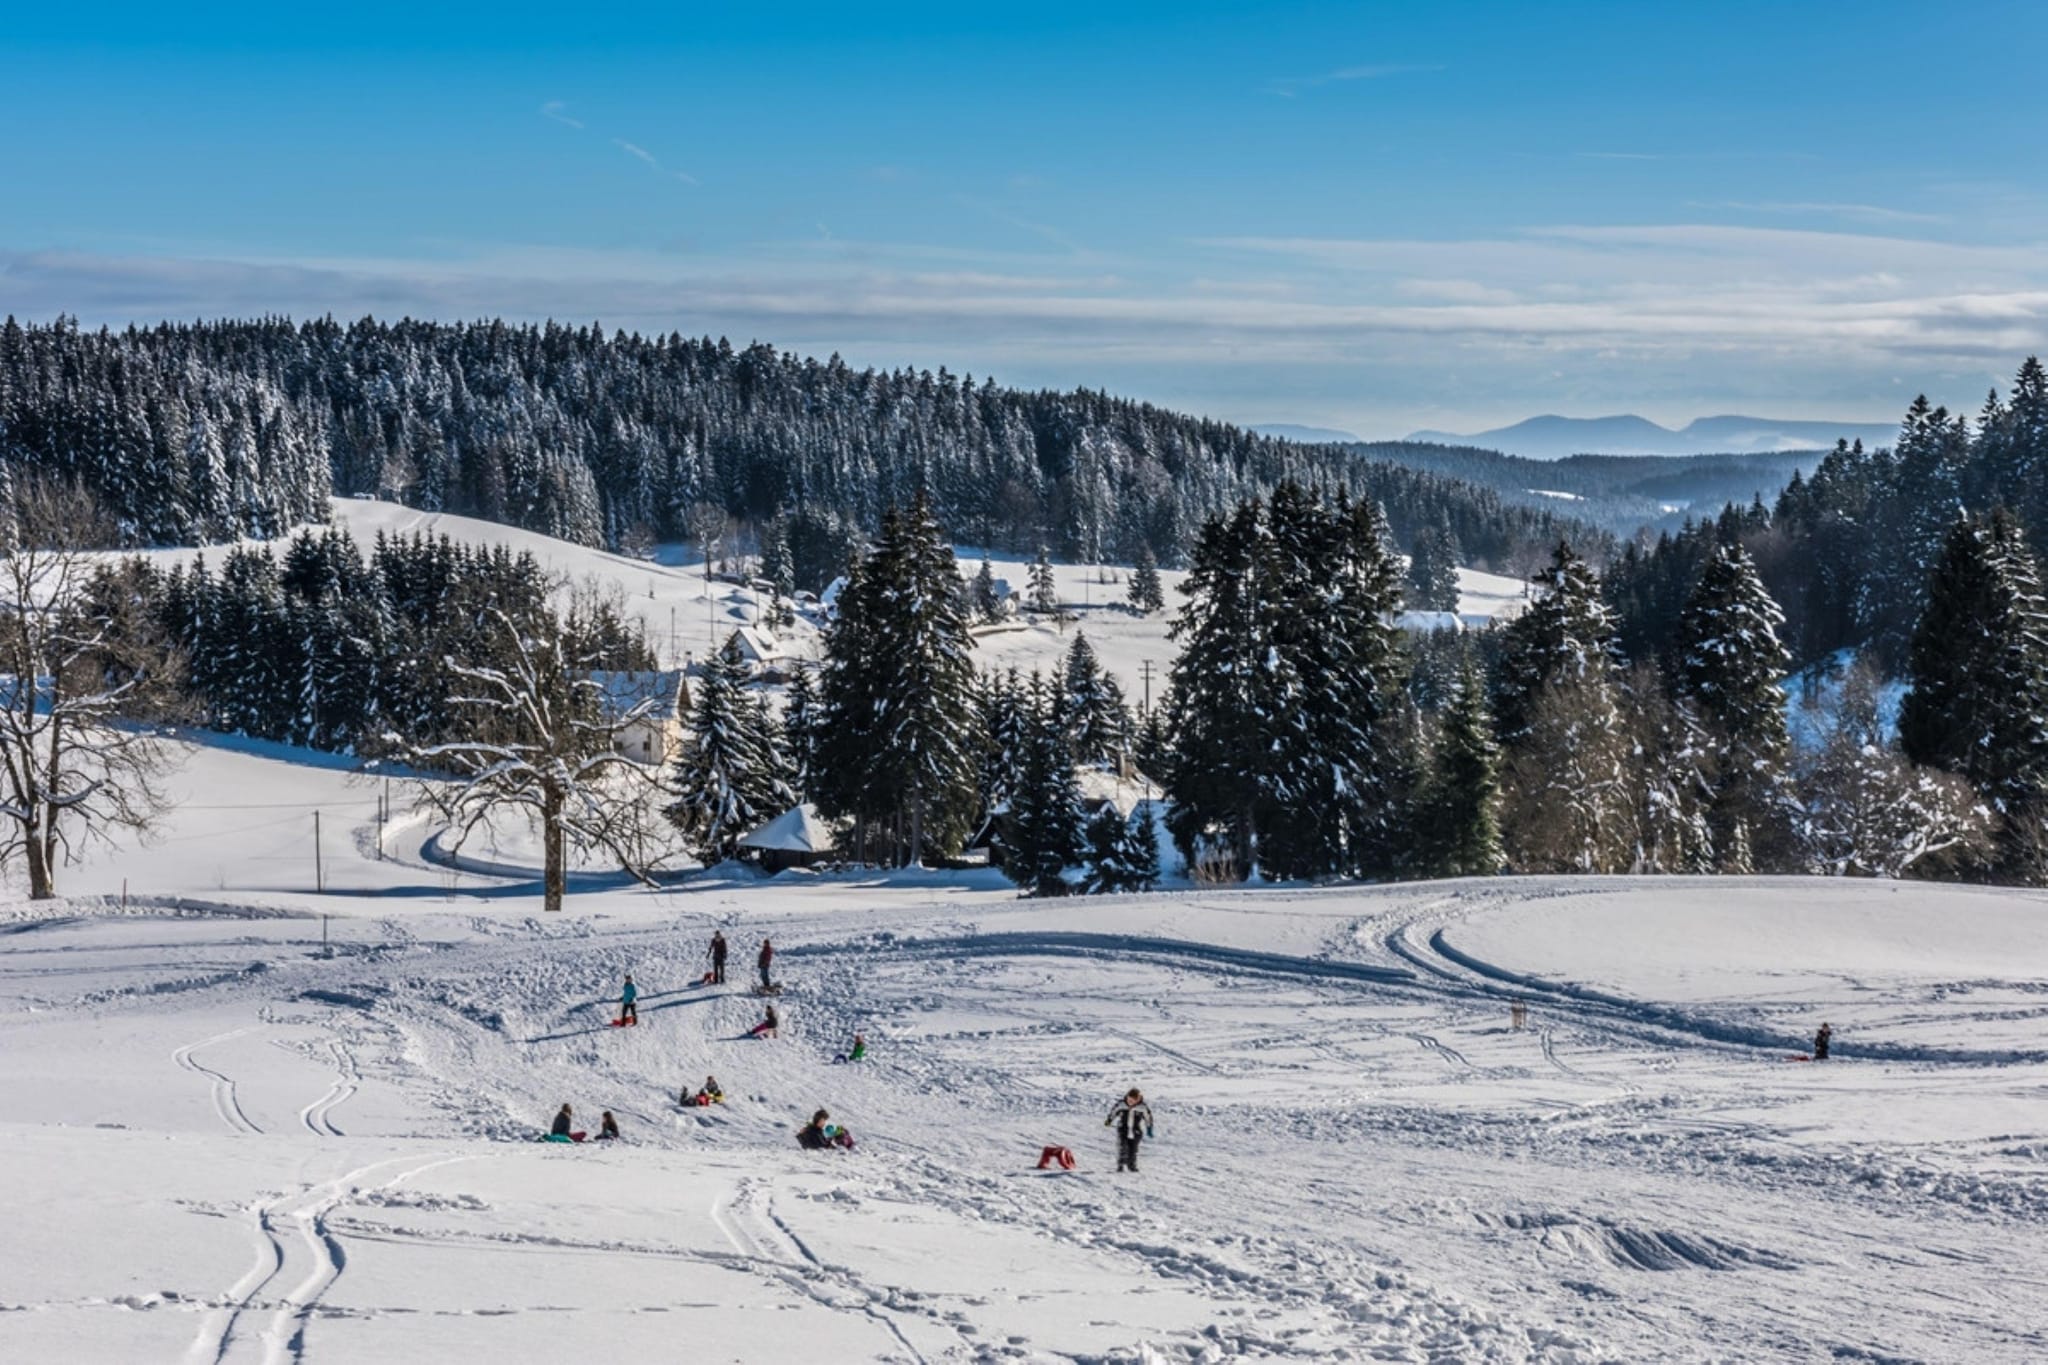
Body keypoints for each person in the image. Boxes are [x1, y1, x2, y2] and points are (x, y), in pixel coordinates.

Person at [1105, 1088, 1154, 1173]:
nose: (1130, 1102)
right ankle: (1120, 1165)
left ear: (1137, 1100)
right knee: (1122, 1146)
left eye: (1132, 1100)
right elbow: (1113, 1112)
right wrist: (1109, 1120)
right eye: (1129, 1099)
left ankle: (1132, 1166)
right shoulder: (1121, 1104)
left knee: (1133, 1149)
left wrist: (1149, 1129)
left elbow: (1148, 1118)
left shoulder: (1142, 1107)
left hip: (1136, 1130)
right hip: (1122, 1128)